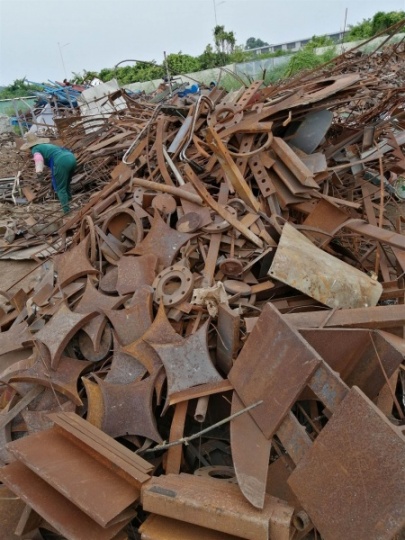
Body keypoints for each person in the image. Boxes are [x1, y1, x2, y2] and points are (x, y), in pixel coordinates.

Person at [21, 133, 77, 214]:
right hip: (71, 157)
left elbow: (38, 158)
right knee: (66, 183)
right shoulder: (46, 145)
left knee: (60, 188)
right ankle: (70, 202)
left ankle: (67, 211)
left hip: (61, 161)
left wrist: (39, 172)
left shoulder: (35, 149)